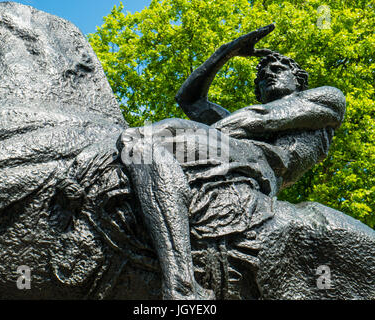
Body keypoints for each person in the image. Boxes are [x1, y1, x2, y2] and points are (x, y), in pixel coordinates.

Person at [117, 24, 346, 299]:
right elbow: (189, 100)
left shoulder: (326, 98)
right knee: (139, 144)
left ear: (299, 79)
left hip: (256, 166)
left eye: (277, 69)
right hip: (229, 149)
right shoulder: (234, 124)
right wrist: (225, 53)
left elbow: (263, 118)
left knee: (146, 138)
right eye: (261, 75)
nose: (268, 75)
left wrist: (206, 131)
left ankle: (181, 287)